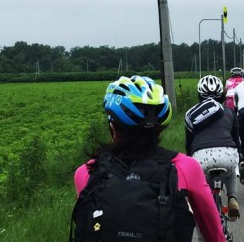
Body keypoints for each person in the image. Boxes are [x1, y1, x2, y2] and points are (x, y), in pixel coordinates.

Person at [73, 75, 225, 242]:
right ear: (159, 129)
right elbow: (212, 230)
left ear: (113, 126)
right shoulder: (185, 167)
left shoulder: (87, 172)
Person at [185, 75, 241, 223]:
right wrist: (239, 155)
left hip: (201, 157)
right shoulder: (229, 112)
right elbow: (236, 139)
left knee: (202, 185)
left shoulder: (191, 114)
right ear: (221, 94)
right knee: (230, 170)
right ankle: (232, 198)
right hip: (228, 153)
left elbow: (188, 144)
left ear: (199, 94)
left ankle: (203, 207)